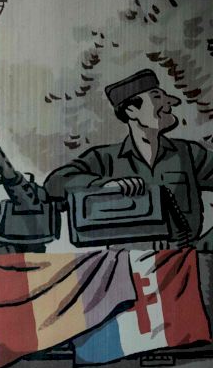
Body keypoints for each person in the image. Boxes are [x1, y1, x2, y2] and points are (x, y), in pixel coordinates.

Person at [44, 68, 212, 250]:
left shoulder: (189, 153)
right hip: (123, 261)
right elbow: (54, 184)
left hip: (184, 258)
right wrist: (104, 186)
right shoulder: (105, 158)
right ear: (131, 110)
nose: (172, 101)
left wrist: (206, 246)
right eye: (157, 97)